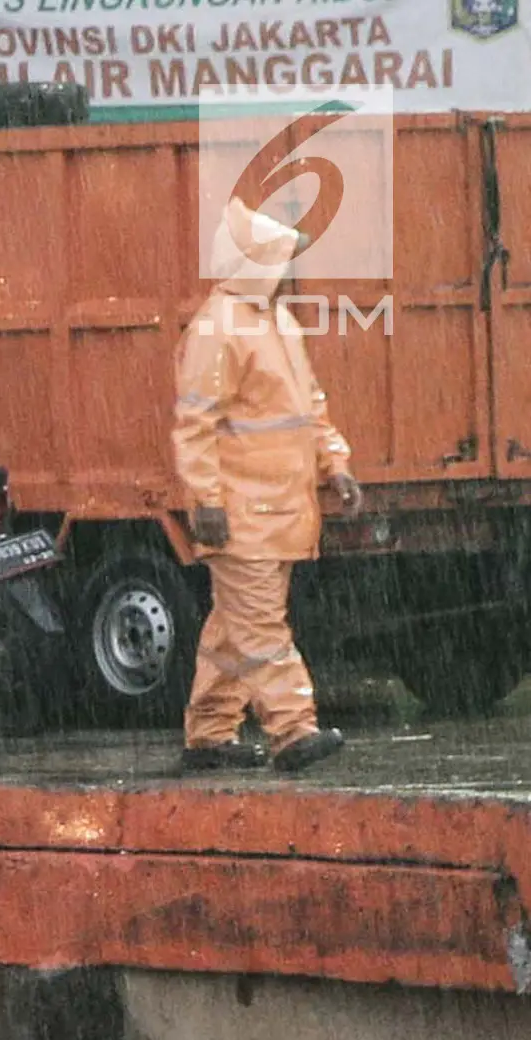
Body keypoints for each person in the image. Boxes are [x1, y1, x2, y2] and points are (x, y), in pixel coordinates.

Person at [173, 200, 359, 774]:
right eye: (282, 256)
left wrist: (337, 464)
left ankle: (208, 736)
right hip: (243, 512)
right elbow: (195, 424)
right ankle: (292, 731)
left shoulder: (273, 320)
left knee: (236, 629)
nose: (290, 267)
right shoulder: (219, 327)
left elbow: (309, 407)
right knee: (260, 628)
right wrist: (205, 502)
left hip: (274, 509)